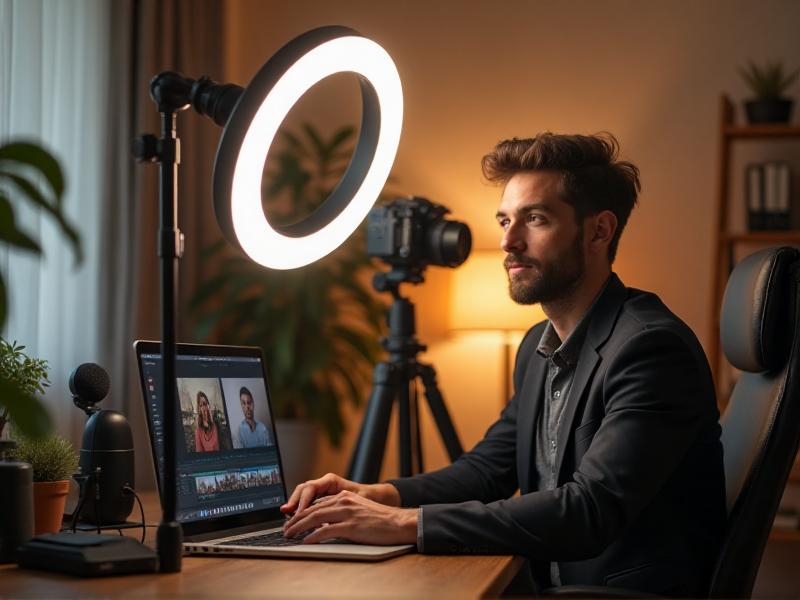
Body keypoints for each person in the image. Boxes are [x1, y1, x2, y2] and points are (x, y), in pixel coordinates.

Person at [280, 133, 726, 597]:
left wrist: (403, 523)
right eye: (504, 219)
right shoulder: (539, 345)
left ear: (599, 231)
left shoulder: (650, 349)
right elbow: (485, 472)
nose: (508, 242)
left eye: (535, 219)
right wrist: (377, 495)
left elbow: (589, 511)